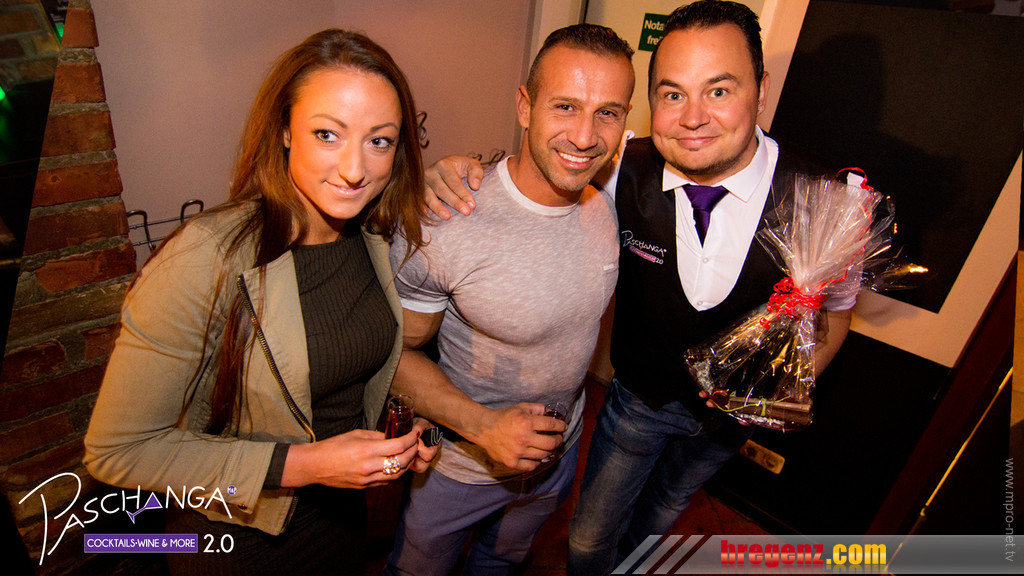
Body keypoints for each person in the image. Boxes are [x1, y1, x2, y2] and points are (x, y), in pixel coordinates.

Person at [424, 3, 855, 574]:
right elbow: (548, 162)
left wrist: (772, 393)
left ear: (761, 91)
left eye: (719, 90)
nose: (693, 117)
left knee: (662, 515)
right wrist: (454, 170)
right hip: (637, 403)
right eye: (673, 94)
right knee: (586, 540)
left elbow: (836, 316)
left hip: (730, 424)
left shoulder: (828, 200)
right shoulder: (622, 164)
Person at [83, 29, 438, 575]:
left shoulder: (370, 237)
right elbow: (117, 452)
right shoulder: (206, 255)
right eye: (327, 134)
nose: (354, 169)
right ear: (284, 131)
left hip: (342, 522)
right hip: (238, 542)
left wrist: (391, 438)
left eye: (379, 141)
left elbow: (342, 369)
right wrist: (307, 465)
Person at [383, 24, 635, 575]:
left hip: (556, 461)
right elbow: (395, 355)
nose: (585, 136)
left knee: (501, 566)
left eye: (607, 113)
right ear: (525, 106)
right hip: (457, 469)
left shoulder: (613, 204)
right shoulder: (448, 219)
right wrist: (483, 428)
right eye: (565, 106)